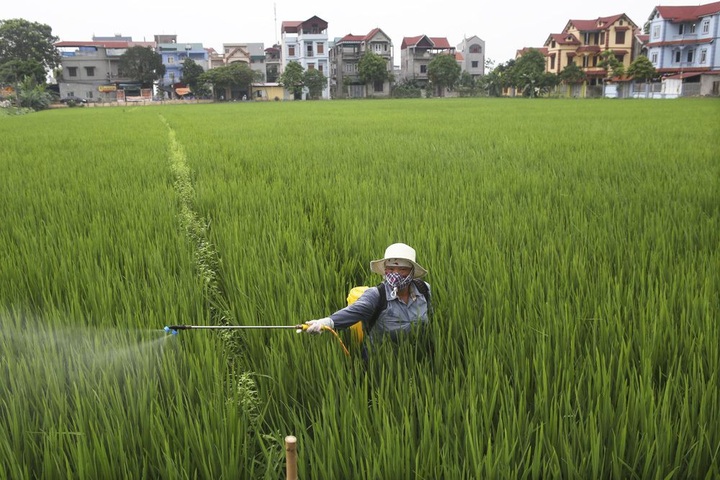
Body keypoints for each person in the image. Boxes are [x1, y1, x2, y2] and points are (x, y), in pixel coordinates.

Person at [304, 243, 432, 347]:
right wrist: (325, 322)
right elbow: (354, 311)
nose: (396, 274)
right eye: (391, 269)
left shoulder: (423, 289)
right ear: (385, 270)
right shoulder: (376, 295)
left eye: (402, 269)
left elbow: (428, 317)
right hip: (380, 362)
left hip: (416, 357)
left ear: (412, 272)